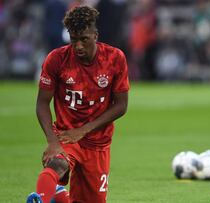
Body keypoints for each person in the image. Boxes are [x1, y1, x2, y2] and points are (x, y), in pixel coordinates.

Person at [27, 5, 129, 203]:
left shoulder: (115, 58)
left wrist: (83, 130)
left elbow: (121, 106)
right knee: (57, 164)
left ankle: (58, 196)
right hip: (66, 136)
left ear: (95, 35)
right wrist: (53, 142)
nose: (79, 46)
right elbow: (42, 103)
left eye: (84, 39)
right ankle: (41, 198)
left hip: (98, 143)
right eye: (74, 40)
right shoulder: (56, 59)